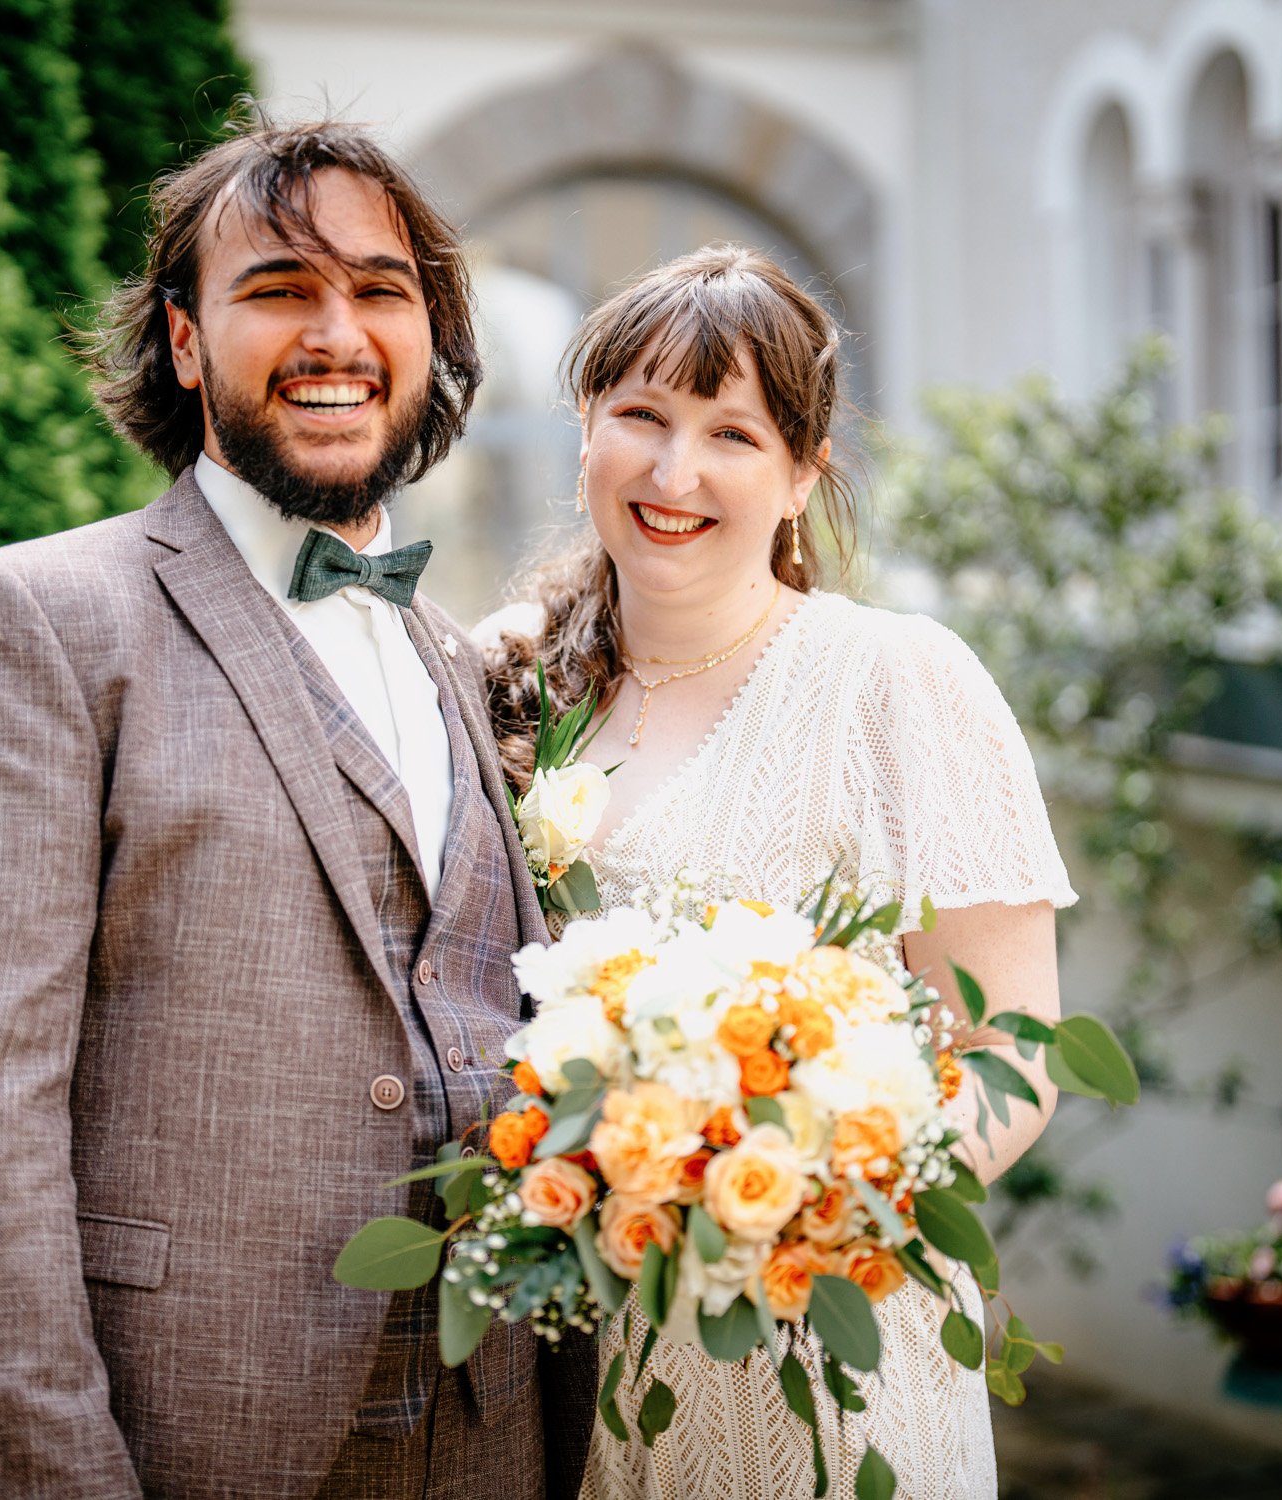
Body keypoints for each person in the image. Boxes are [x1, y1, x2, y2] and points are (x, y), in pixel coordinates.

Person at [0, 116, 592, 1500]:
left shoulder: (458, 656)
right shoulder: (33, 621)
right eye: (278, 290)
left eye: (382, 291)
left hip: (492, 1441)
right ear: (188, 341)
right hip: (170, 1437)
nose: (338, 332)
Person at [483, 245, 1077, 1499]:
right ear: (584, 427)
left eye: (730, 434)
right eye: (637, 416)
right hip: (570, 1368)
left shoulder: (898, 685)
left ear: (802, 472)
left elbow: (1011, 1053)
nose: (673, 471)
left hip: (825, 1349)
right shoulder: (506, 682)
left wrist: (805, 1196)